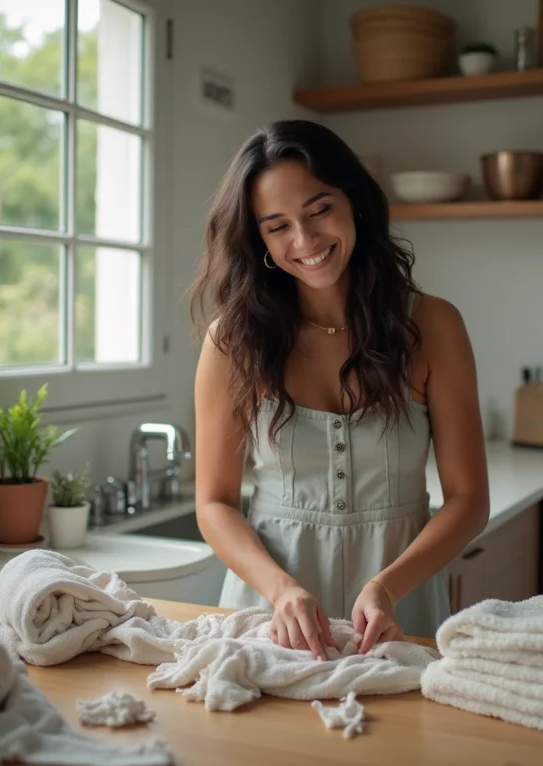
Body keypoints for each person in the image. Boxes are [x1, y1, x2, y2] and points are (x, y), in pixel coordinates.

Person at [190, 119, 489, 662]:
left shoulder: (433, 326)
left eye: (319, 209)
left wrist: (387, 587)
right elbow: (214, 502)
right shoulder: (232, 343)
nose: (305, 241)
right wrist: (282, 589)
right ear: (258, 240)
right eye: (277, 226)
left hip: (399, 613)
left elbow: (469, 500)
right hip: (274, 618)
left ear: (354, 202)